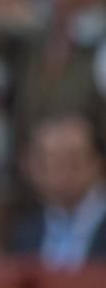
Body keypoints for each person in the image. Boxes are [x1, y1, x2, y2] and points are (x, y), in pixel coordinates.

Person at [8, 113, 106, 267]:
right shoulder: (26, 234)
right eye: (49, 163)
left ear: (98, 163)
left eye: (73, 162)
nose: (61, 174)